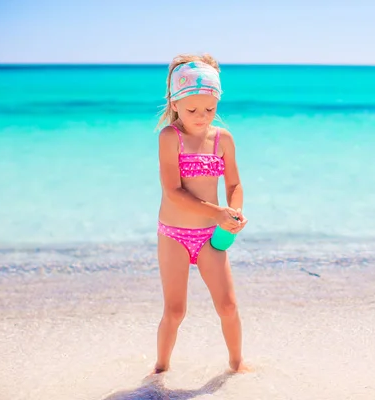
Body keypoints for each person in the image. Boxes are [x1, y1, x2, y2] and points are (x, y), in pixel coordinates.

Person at [153, 53, 250, 374]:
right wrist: (217, 210)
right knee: (176, 311)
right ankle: (160, 369)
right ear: (175, 103)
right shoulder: (170, 138)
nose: (202, 116)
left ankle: (237, 367)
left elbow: (234, 184)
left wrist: (234, 213)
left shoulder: (223, 139)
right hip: (174, 236)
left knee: (228, 305)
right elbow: (173, 192)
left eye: (210, 109)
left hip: (212, 236)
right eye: (193, 109)